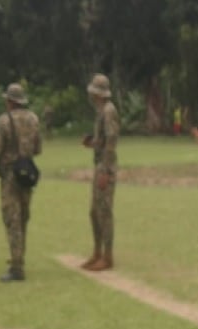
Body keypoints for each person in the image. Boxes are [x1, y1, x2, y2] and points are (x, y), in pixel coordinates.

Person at [0, 83, 42, 282]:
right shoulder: (34, 119)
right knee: (23, 217)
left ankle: (17, 267)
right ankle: (18, 257)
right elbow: (37, 148)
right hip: (27, 173)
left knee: (12, 219)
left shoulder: (4, 121)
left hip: (10, 175)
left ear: (10, 101)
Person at [81, 73, 120, 271]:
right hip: (100, 165)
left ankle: (107, 256)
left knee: (104, 212)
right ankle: (97, 252)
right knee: (94, 212)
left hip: (106, 168)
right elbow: (104, 140)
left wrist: (105, 171)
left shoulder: (108, 111)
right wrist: (92, 143)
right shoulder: (102, 111)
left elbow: (112, 141)